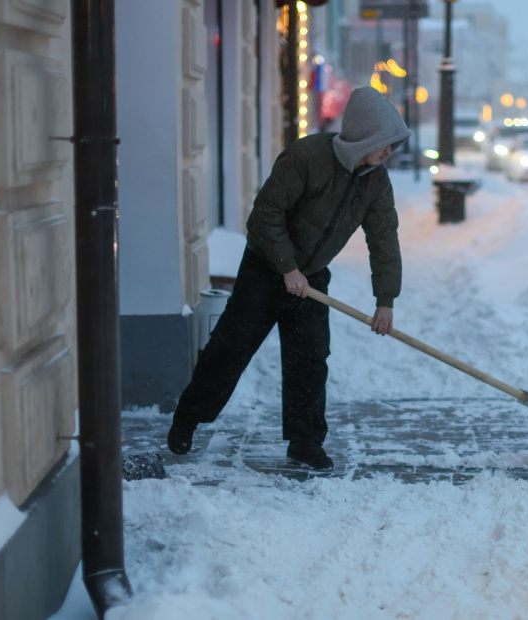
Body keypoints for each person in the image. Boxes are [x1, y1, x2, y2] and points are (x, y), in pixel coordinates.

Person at [167, 86, 412, 470]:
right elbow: (264, 217)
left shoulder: (375, 181)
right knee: (231, 349)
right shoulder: (306, 157)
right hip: (265, 268)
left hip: (311, 276)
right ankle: (188, 418)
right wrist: (286, 268)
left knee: (310, 360)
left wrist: (386, 300)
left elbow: (384, 239)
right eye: (385, 143)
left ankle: (305, 442)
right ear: (365, 135)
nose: (388, 152)